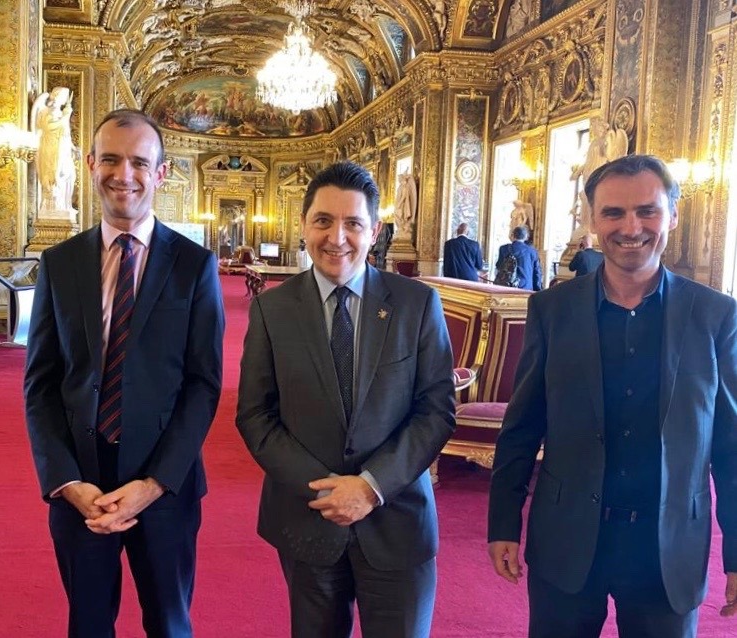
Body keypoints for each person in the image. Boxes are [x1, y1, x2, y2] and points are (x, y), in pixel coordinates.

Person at [487, 154, 737, 637]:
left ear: (673, 216)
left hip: (666, 549)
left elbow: (730, 446)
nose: (631, 227)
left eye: (647, 211)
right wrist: (502, 523)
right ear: (592, 220)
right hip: (567, 537)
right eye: (613, 213)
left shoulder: (715, 316)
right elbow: (522, 427)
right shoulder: (552, 310)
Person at [24, 109, 225, 638]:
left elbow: (203, 385)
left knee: (169, 624)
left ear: (160, 173)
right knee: (88, 624)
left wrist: (154, 483)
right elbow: (41, 384)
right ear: (90, 164)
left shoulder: (195, 265)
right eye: (110, 159)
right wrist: (66, 481)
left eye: (139, 162)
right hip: (80, 485)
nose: (124, 174)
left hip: (165, 483)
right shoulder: (59, 263)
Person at [236, 161, 455, 638]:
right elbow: (255, 415)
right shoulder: (272, 310)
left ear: (373, 231)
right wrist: (326, 490)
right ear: (303, 225)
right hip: (307, 519)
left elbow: (435, 410)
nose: (337, 238)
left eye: (353, 223)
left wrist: (371, 486)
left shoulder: (417, 305)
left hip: (397, 519)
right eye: (323, 221)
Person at [32, 87, 77, 215]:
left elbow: (66, 133)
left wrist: (73, 147)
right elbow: (48, 127)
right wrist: (66, 116)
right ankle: (54, 205)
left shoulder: (60, 113)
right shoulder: (48, 111)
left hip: (62, 146)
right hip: (52, 146)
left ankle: (64, 205)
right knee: (56, 175)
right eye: (64, 97)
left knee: (71, 174)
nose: (65, 100)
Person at [496, 226, 543, 290]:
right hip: (525, 287)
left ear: (513, 235)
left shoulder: (503, 248)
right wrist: (537, 289)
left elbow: (499, 266)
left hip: (506, 285)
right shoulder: (532, 251)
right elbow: (537, 272)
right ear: (526, 237)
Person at [394, 171, 417, 237]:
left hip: (402, 205)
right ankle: (401, 229)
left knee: (399, 215)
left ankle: (402, 228)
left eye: (399, 178)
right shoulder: (401, 186)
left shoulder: (404, 187)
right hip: (399, 204)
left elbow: (404, 197)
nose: (398, 180)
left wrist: (399, 204)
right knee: (397, 215)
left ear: (402, 178)